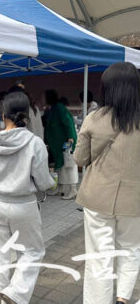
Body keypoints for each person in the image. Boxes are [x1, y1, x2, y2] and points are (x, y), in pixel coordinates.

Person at [0, 91, 57, 304]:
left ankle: (7, 296)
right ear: (28, 114)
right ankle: (15, 294)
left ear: (3, 114)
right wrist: (51, 182)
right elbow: (43, 181)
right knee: (32, 252)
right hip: (23, 205)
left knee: (1, 254)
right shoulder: (35, 142)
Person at [74, 62, 140, 304]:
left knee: (99, 256)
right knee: (131, 249)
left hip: (97, 196)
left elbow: (80, 158)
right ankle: (123, 298)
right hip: (135, 199)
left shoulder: (94, 118)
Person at [44, 89, 79, 199]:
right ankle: (60, 188)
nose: (42, 99)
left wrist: (70, 137)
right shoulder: (54, 108)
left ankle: (73, 189)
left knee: (69, 165)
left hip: (66, 142)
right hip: (59, 143)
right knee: (61, 166)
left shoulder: (58, 108)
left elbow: (67, 122)